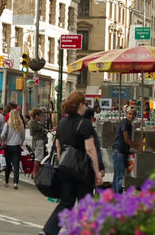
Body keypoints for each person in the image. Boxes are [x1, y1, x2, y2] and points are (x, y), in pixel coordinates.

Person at [42, 92, 103, 235]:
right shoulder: (85, 123)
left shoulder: (63, 122)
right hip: (82, 171)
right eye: (84, 104)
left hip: (65, 169)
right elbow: (90, 149)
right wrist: (97, 171)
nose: (85, 107)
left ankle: (49, 230)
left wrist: (62, 159)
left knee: (66, 202)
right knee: (85, 204)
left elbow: (58, 145)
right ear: (80, 105)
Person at [112, 106, 143, 194]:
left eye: (133, 114)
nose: (131, 116)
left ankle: (114, 197)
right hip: (119, 152)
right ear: (126, 114)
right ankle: (119, 198)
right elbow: (126, 140)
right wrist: (137, 146)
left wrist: (137, 145)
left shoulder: (128, 124)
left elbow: (128, 141)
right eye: (130, 114)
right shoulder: (125, 123)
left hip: (121, 152)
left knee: (117, 176)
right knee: (119, 178)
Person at [1, 109, 25, 189]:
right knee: (16, 165)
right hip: (17, 147)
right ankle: (15, 183)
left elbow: (3, 135)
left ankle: (7, 181)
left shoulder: (7, 124)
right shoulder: (21, 125)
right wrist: (21, 143)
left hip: (8, 146)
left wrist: (3, 140)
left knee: (8, 165)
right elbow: (23, 136)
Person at [84, 107, 106, 180]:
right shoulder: (91, 131)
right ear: (91, 118)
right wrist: (100, 167)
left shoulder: (76, 128)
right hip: (89, 165)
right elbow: (96, 149)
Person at [29, 108, 48, 177]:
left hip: (37, 141)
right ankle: (35, 173)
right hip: (38, 141)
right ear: (36, 116)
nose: (41, 117)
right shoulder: (34, 123)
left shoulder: (34, 122)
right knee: (38, 158)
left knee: (38, 157)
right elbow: (43, 129)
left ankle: (34, 172)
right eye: (40, 116)